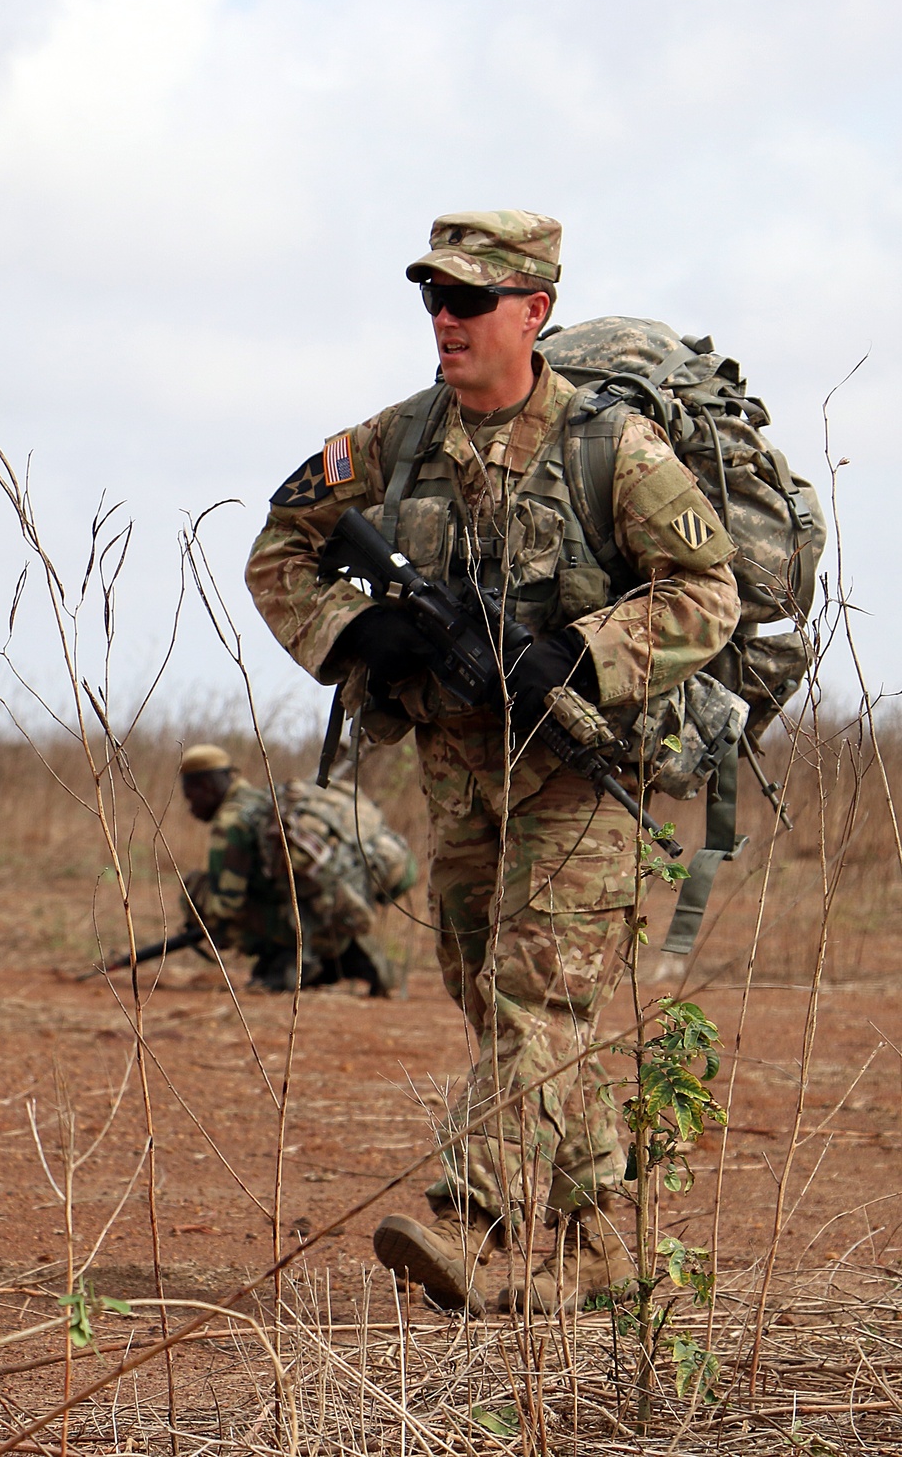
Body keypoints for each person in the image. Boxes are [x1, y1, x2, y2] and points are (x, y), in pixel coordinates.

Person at [245, 211, 740, 1316]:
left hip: (576, 771)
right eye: (432, 296)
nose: (444, 319)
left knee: (536, 1000)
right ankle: (601, 1245)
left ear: (534, 312)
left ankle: (468, 1222)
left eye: (468, 300)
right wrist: (351, 629)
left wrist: (581, 650)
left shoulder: (611, 447)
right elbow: (277, 546)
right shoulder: (395, 442)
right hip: (460, 775)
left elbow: (709, 593)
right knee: (495, 1003)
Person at [179, 743, 415, 995]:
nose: (191, 809)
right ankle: (346, 956)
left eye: (191, 798)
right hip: (333, 914)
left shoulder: (230, 822)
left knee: (196, 893)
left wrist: (198, 916)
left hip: (303, 922)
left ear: (205, 786)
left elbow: (225, 906)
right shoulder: (262, 798)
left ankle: (285, 961)